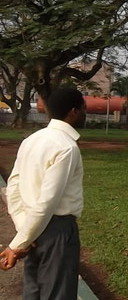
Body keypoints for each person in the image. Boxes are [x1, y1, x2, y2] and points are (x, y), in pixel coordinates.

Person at [0, 87, 86, 300]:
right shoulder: (66, 147)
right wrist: (16, 245)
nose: (84, 113)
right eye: (83, 109)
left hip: (31, 226)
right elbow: (47, 202)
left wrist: (24, 231)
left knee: (34, 291)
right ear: (74, 111)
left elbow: (14, 186)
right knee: (58, 293)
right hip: (57, 231)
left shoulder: (32, 140)